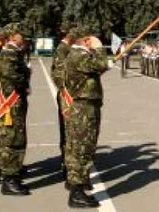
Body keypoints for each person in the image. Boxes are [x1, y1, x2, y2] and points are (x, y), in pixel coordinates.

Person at [63, 26, 109, 208]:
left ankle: (77, 186)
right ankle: (77, 192)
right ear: (85, 40)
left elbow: (95, 70)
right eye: (92, 38)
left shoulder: (78, 55)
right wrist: (99, 48)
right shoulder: (78, 55)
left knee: (81, 147)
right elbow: (100, 64)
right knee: (82, 149)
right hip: (83, 108)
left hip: (85, 106)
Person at [0, 23, 31, 196]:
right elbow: (12, 76)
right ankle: (10, 180)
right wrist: (26, 78)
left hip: (8, 101)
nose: (23, 36)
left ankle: (5, 170)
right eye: (20, 33)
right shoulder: (10, 53)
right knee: (14, 139)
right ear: (13, 35)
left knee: (7, 137)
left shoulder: (9, 52)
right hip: (12, 102)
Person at [51, 22, 74, 179]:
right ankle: (67, 165)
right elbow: (59, 75)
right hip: (68, 96)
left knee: (71, 131)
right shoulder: (62, 49)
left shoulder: (68, 49)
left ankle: (70, 164)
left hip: (72, 93)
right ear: (68, 34)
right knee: (68, 131)